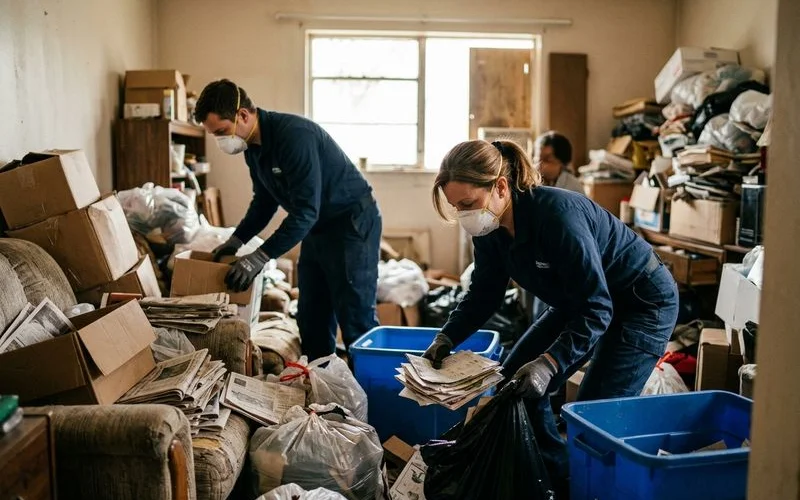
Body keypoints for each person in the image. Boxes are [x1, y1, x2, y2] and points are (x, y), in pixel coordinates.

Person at [422, 139, 678, 496]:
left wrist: (550, 362)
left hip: (640, 303)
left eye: (468, 204)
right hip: (579, 300)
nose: (465, 215)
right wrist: (447, 337)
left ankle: (589, 485)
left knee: (592, 417)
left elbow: (598, 307)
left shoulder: (557, 217)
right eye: (456, 208)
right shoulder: (489, 227)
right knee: (514, 381)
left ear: (500, 186)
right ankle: (556, 478)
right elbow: (485, 291)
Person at [194, 80, 382, 360]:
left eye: (221, 132)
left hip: (350, 223)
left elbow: (305, 211)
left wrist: (259, 257)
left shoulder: (295, 136)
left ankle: (373, 394)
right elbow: (264, 202)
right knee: (311, 317)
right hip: (318, 228)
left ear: (243, 115)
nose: (221, 141)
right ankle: (324, 389)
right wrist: (235, 240)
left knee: (354, 318)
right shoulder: (253, 148)